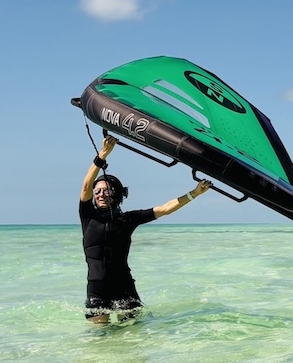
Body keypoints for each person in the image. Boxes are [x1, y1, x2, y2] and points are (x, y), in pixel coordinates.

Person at [79, 134, 212, 322]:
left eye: (106, 190)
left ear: (116, 194)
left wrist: (195, 193)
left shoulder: (128, 219)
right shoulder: (88, 215)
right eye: (97, 191)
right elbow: (85, 186)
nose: (100, 194)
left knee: (132, 336)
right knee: (100, 340)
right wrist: (103, 154)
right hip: (97, 287)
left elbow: (164, 209)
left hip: (123, 285)